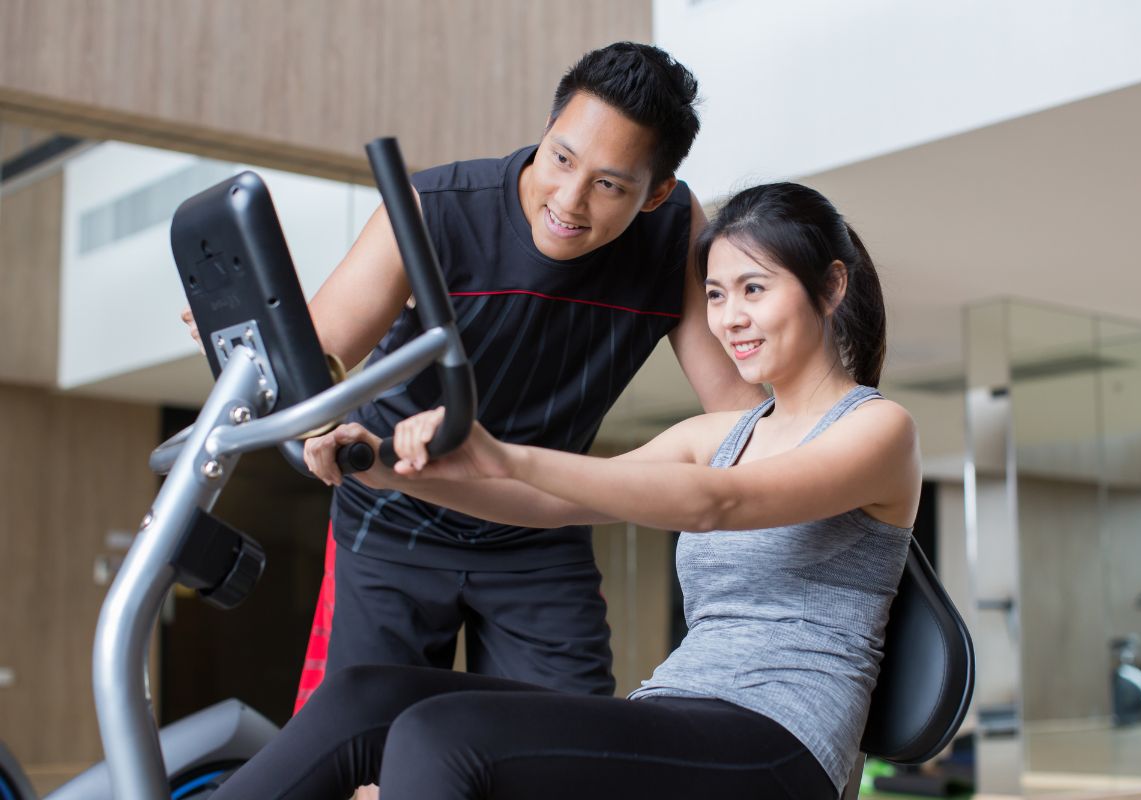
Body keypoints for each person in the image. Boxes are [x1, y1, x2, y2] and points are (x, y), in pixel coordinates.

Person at [209, 181, 922, 800]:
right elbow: (550, 506)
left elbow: (718, 503)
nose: (729, 317)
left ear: (831, 286)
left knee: (442, 733)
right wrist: (380, 469)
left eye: (754, 289)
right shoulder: (722, 435)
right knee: (365, 697)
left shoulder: (877, 430)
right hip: (677, 710)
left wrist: (507, 455)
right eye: (714, 294)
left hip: (783, 744)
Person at [185, 42, 764, 708]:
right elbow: (321, 350)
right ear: (545, 131)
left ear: (656, 193)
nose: (570, 200)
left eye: (609, 185)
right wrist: (265, 356)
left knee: (565, 747)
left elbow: (736, 416)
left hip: (535, 531)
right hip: (393, 512)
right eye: (561, 158)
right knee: (360, 744)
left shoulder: (672, 234)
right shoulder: (437, 207)